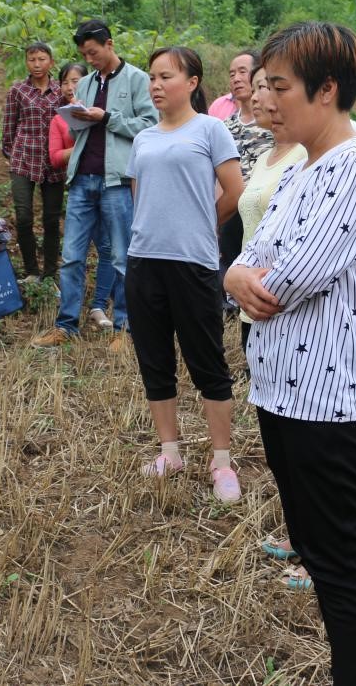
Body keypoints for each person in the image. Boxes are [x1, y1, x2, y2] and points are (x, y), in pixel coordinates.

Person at [225, 22, 356, 686]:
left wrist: (240, 279)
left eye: (279, 86)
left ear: (326, 91)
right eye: (263, 84)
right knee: (320, 554)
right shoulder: (303, 166)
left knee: (339, 560)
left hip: (325, 399)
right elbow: (248, 258)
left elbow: (279, 281)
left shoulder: (355, 167)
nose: (266, 98)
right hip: (284, 385)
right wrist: (236, 276)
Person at [124, 47, 244, 500]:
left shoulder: (211, 129)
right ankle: (170, 451)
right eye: (152, 77)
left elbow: (235, 190)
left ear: (192, 82)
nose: (155, 85)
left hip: (193, 262)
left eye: (165, 76)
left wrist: (202, 224)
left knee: (206, 360)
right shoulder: (143, 138)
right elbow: (141, 197)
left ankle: (221, 460)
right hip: (144, 261)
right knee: (154, 359)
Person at [31, 19, 157, 348]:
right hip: (82, 178)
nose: (90, 59)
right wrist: (79, 118)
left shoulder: (137, 79)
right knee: (72, 255)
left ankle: (125, 327)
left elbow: (149, 124)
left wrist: (108, 118)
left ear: (109, 44)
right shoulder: (85, 83)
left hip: (116, 180)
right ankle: (66, 325)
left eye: (94, 52)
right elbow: (77, 130)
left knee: (120, 255)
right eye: (85, 54)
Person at [236, 65, 306, 352]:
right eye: (254, 89)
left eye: (264, 87)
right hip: (250, 293)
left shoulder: (305, 157)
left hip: (280, 296)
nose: (255, 98)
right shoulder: (264, 157)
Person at [49, 62, 119, 329]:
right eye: (66, 82)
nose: (70, 87)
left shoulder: (102, 111)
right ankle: (67, 322)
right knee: (72, 255)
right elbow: (55, 157)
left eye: (76, 81)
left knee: (109, 251)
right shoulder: (60, 119)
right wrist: (80, 146)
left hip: (109, 185)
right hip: (80, 185)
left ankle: (99, 306)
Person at [2, 42, 64, 284]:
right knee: (24, 216)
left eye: (42, 59)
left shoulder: (61, 91)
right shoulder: (18, 90)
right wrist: (14, 153)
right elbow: (8, 127)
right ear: (26, 62)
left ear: (51, 61)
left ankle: (50, 272)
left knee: (51, 218)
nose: (37, 64)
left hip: (53, 162)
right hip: (23, 160)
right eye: (32, 59)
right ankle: (31, 271)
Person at [216, 51, 273, 296]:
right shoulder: (223, 126)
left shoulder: (274, 123)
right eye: (231, 73)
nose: (236, 78)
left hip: (264, 210)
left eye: (242, 71)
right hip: (231, 210)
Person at [207, 49, 256, 121]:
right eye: (232, 75)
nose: (236, 79)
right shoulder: (218, 106)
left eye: (242, 72)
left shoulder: (272, 109)